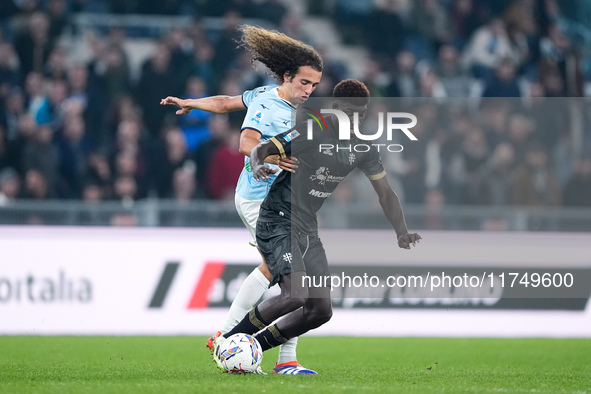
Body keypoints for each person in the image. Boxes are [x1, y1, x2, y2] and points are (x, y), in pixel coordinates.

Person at [215, 79, 421, 373]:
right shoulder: (312, 129)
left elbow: (385, 192)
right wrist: (258, 161)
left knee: (320, 311)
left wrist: (402, 232)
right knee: (295, 294)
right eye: (350, 112)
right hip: (277, 219)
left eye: (361, 113)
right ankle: (230, 341)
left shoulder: (363, 146)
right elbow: (263, 148)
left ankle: (254, 348)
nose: (355, 118)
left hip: (307, 227)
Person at [161, 25, 323, 374]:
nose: (309, 90)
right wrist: (277, 159)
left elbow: (224, 102)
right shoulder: (269, 104)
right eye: (304, 83)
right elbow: (246, 143)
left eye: (314, 85)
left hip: (286, 203)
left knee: (281, 272)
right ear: (288, 76)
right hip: (259, 201)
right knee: (291, 279)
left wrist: (191, 103)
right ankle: (247, 344)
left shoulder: (272, 97)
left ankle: (260, 349)